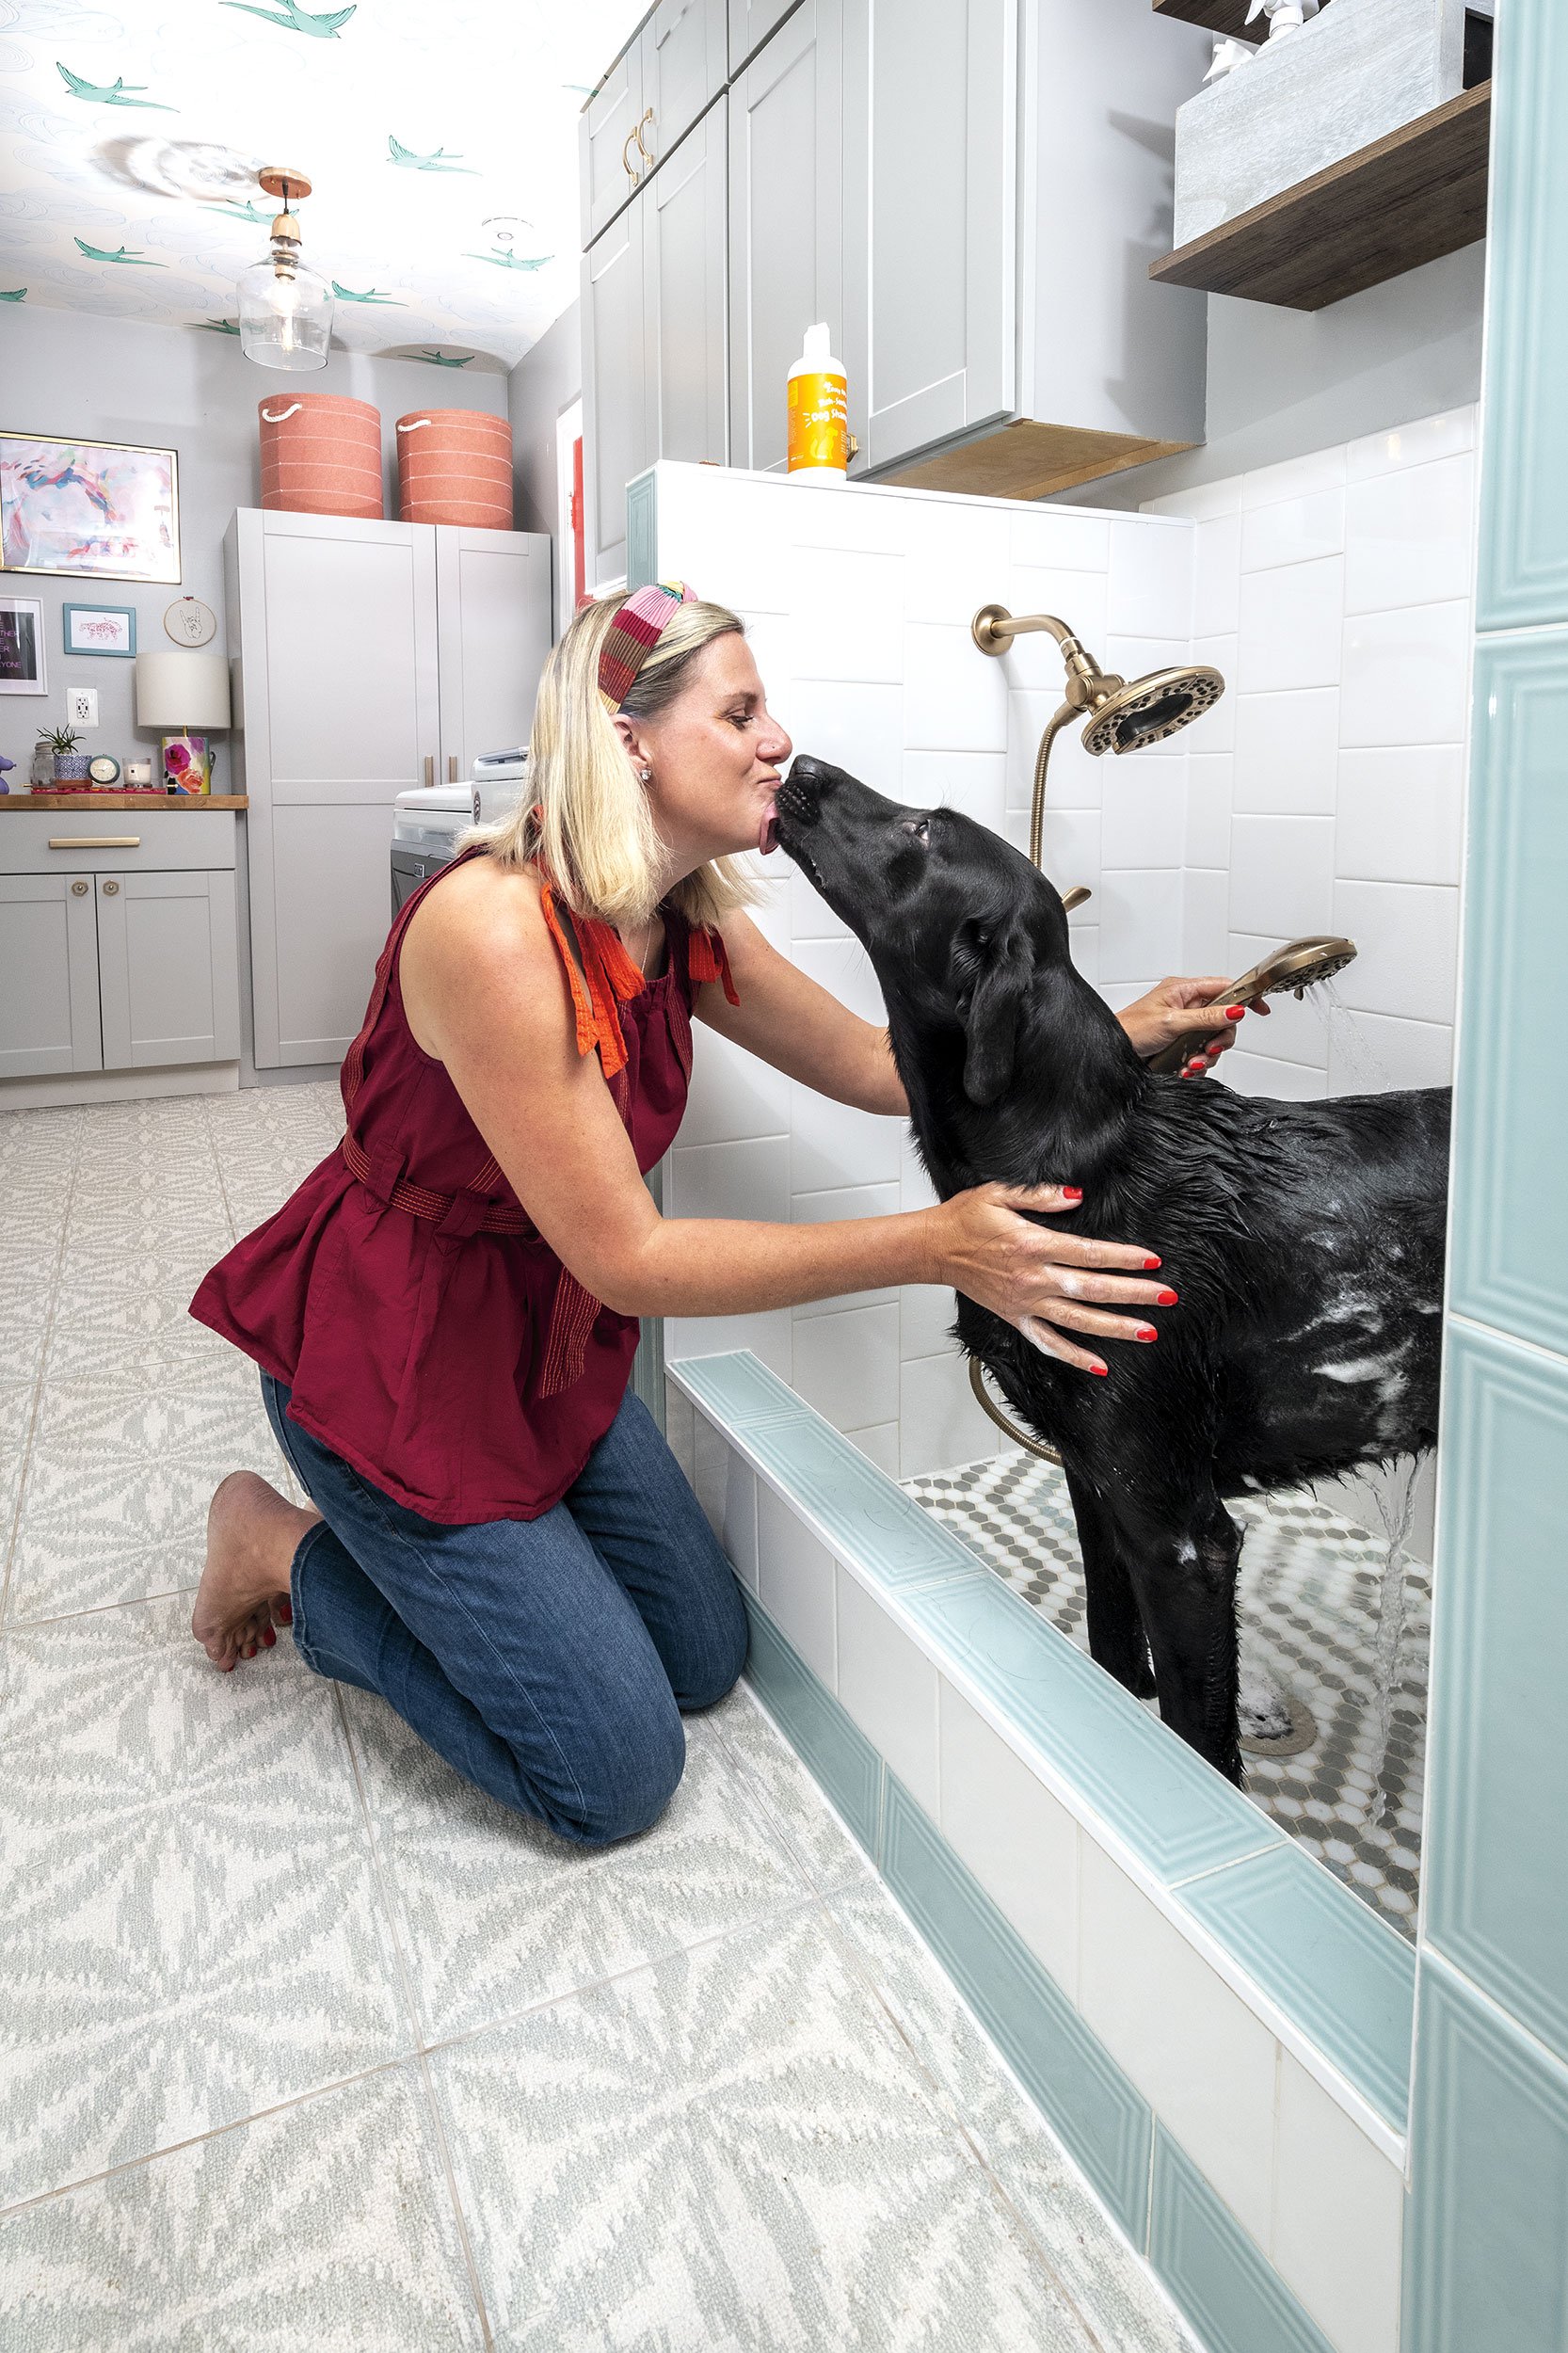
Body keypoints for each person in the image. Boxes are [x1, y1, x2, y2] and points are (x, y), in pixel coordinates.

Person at [188, 584, 1250, 1849]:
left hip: (546, 1337)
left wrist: (1119, 1031)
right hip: (397, 1354)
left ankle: (492, 1556)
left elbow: (869, 1061)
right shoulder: (495, 933)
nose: (775, 741)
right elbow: (629, 1258)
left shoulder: (679, 919)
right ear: (628, 738)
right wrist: (933, 1245)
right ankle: (276, 1543)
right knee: (609, 1777)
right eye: (738, 713)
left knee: (701, 1656)